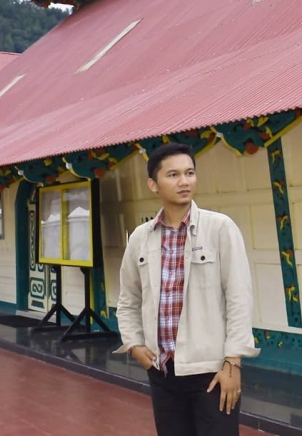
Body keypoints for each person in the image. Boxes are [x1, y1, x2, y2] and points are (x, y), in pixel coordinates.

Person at [116, 142, 259, 436]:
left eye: (189, 173)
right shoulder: (141, 238)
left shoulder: (220, 228)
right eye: (173, 175)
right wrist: (134, 345)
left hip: (211, 372)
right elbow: (128, 299)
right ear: (153, 184)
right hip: (163, 371)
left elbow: (239, 298)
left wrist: (233, 364)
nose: (184, 181)